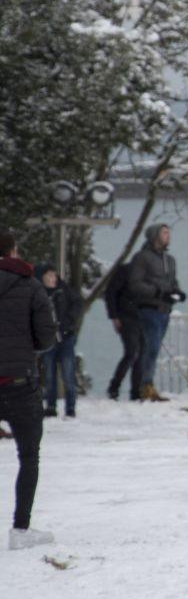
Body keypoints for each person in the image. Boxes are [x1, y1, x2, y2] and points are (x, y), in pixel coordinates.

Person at [0, 230, 58, 549]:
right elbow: (47, 338)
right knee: (28, 456)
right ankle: (20, 529)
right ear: (13, 252)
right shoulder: (30, 285)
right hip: (18, 382)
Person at [126, 223, 184, 402]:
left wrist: (178, 292)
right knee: (150, 348)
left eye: (168, 233)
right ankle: (145, 386)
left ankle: (146, 384)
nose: (168, 236)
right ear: (154, 236)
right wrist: (157, 292)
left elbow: (172, 282)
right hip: (148, 309)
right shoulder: (142, 258)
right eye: (164, 233)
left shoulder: (170, 259)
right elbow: (135, 284)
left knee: (154, 348)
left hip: (164, 309)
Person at [35, 264, 79, 419]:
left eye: (54, 275)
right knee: (49, 375)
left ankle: (71, 407)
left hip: (66, 336)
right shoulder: (38, 293)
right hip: (48, 339)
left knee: (68, 374)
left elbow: (76, 304)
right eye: (49, 276)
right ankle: (51, 406)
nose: (53, 278)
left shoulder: (63, 289)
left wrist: (69, 321)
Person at [103, 262, 142, 400]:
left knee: (141, 354)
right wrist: (114, 316)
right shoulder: (126, 270)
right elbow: (110, 292)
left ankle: (136, 391)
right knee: (131, 353)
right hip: (126, 317)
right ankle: (114, 387)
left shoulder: (151, 273)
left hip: (143, 317)